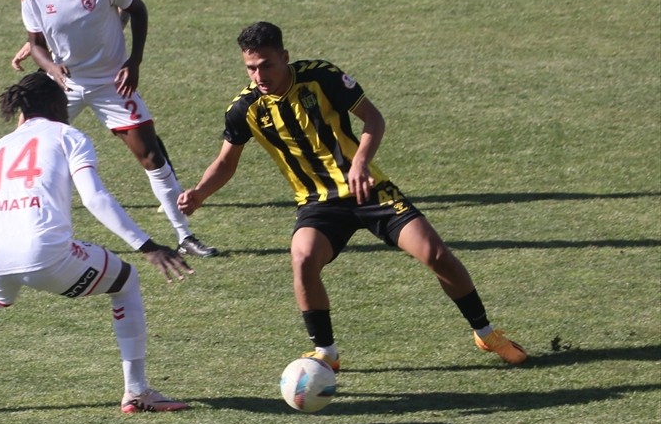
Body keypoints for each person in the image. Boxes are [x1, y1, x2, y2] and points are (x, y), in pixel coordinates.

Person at [177, 21, 528, 369]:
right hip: (318, 203)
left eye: (266, 65)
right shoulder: (245, 109)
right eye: (251, 68)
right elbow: (226, 162)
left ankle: (485, 332)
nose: (259, 75)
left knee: (436, 254)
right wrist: (199, 193)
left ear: (285, 57)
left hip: (369, 189)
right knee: (302, 259)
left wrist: (360, 162)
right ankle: (326, 354)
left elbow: (373, 119)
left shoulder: (322, 77)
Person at [0, 72, 194, 415]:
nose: (67, 108)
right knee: (126, 281)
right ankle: (136, 392)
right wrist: (147, 245)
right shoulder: (68, 136)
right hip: (43, 253)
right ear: (52, 104)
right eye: (63, 101)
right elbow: (95, 198)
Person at [20, 0, 218, 259]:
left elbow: (137, 10)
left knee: (151, 154)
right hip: (64, 85)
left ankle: (185, 235)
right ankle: (7, 231)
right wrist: (52, 69)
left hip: (111, 82)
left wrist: (134, 62)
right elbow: (35, 45)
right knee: (30, 155)